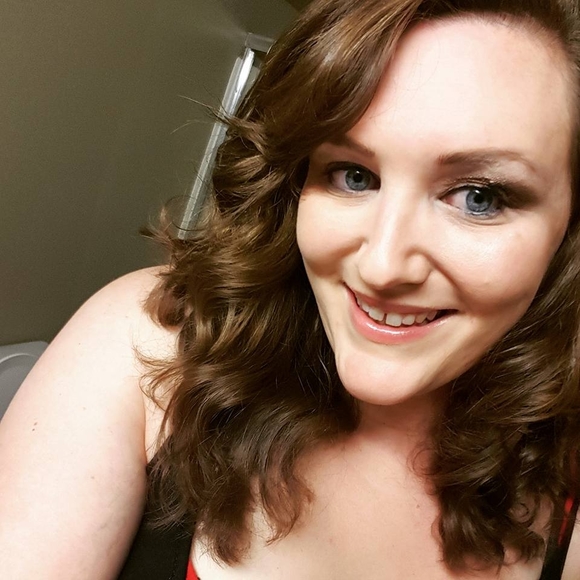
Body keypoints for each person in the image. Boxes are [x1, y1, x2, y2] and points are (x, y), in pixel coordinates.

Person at [2, 0, 580, 578]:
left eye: (479, 197)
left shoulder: (565, 486)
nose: (382, 266)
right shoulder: (145, 347)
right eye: (353, 175)